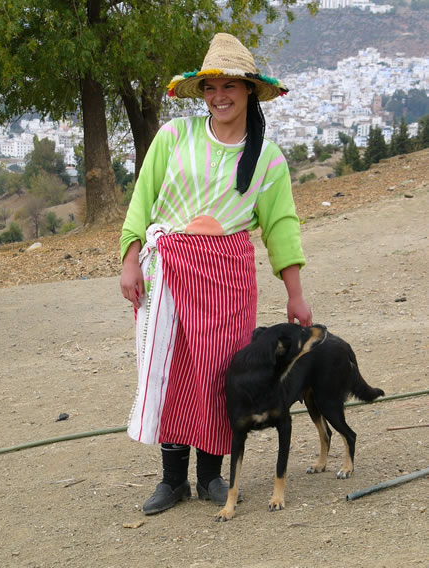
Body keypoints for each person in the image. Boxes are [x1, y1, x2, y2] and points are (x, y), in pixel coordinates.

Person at [119, 32, 312, 515]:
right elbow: (142, 200)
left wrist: (296, 294)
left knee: (218, 373)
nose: (219, 96)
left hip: (228, 281)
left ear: (250, 90)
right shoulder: (174, 138)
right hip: (169, 274)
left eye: (230, 85)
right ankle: (171, 479)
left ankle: (209, 476)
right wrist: (129, 256)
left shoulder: (267, 160)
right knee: (170, 367)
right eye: (209, 87)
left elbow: (281, 227)